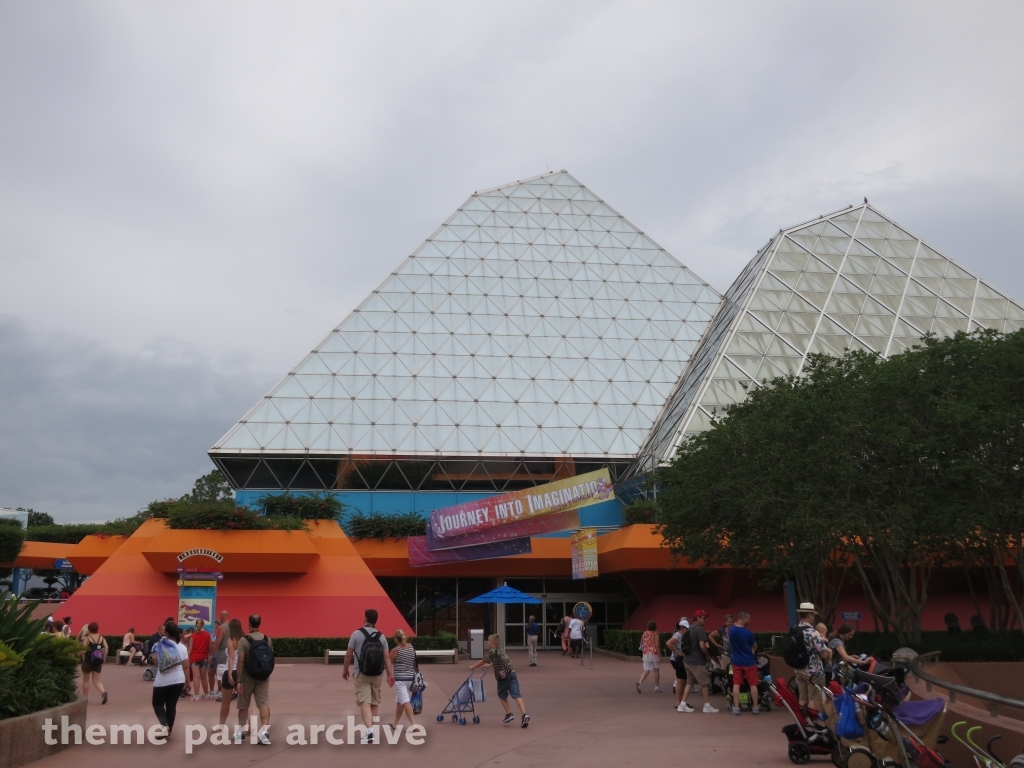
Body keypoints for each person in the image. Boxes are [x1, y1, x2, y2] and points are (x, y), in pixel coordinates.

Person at [343, 608, 395, 744]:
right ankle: (371, 730)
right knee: (374, 701)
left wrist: (345, 670)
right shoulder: (381, 636)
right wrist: (390, 675)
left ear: (365, 619)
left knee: (364, 702)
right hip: (378, 674)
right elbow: (387, 658)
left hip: (361, 673)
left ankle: (370, 730)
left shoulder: (356, 634)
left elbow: (349, 654)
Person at [469, 634, 529, 728]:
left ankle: (509, 714)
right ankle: (524, 714)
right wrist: (489, 665)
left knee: (502, 695)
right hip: (512, 673)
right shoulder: (501, 650)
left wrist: (473, 667)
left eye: (488, 641)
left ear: (491, 642)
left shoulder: (492, 651)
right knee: (517, 695)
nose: (488, 643)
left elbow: (483, 660)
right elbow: (501, 662)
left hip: (503, 676)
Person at [236, 614, 273, 745]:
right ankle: (264, 733)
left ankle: (240, 733)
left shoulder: (244, 640)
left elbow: (240, 661)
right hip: (263, 676)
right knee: (263, 703)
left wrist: (238, 680)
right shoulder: (267, 639)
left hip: (248, 677)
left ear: (249, 624)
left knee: (243, 705)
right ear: (259, 623)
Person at [151, 621, 189, 738]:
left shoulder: (160, 644)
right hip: (178, 679)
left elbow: (155, 660)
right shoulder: (182, 647)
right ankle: (168, 731)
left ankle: (165, 725)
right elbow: (186, 666)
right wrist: (188, 681)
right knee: (171, 705)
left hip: (162, 680)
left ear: (166, 633)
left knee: (157, 704)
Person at [678, 609, 718, 714]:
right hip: (696, 661)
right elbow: (702, 646)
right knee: (705, 683)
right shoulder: (699, 630)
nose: (706, 620)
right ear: (698, 618)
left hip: (687, 660)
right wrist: (708, 656)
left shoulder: (690, 628)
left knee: (690, 683)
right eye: (704, 618)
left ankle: (682, 704)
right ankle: (707, 705)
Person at [794, 603, 831, 711]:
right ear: (810, 615)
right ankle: (812, 722)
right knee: (813, 698)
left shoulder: (795, 629)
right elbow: (823, 654)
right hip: (813, 671)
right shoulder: (813, 632)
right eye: (813, 615)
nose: (813, 617)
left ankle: (803, 720)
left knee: (803, 697)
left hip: (799, 669)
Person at [728, 611, 759, 716]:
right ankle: (755, 707)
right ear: (743, 618)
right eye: (748, 619)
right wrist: (753, 649)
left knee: (736, 684)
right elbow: (754, 646)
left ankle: (736, 708)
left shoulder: (731, 631)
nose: (750, 621)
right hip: (749, 661)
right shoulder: (749, 633)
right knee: (753, 684)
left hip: (736, 661)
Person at [388, 629, 417, 729]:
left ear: (396, 639)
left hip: (400, 679)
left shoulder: (396, 649)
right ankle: (395, 722)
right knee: (400, 701)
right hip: (410, 678)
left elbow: (388, 662)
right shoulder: (411, 648)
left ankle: (413, 725)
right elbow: (413, 663)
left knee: (405, 701)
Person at [218, 618, 243, 727]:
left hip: (230, 670)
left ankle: (221, 725)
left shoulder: (230, 641)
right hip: (241, 672)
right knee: (244, 703)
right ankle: (247, 726)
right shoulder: (244, 640)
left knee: (225, 702)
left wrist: (229, 673)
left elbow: (231, 657)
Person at [79, 622, 108, 705]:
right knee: (96, 680)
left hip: (88, 661)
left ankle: (85, 698)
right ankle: (103, 692)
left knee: (85, 680)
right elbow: (106, 647)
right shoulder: (101, 638)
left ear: (89, 629)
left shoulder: (87, 638)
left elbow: (84, 650)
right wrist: (104, 657)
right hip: (98, 661)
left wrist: (81, 653)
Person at [667, 618, 689, 704]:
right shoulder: (678, 635)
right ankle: (678, 701)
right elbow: (668, 643)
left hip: (681, 659)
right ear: (682, 627)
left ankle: (682, 700)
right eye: (686, 628)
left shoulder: (683, 635)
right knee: (680, 681)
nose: (687, 630)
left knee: (684, 681)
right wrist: (677, 652)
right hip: (677, 660)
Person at [189, 619, 212, 700]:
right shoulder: (208, 635)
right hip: (204, 657)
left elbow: (190, 648)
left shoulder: (193, 636)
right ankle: (206, 694)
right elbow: (210, 647)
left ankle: (196, 695)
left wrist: (187, 657)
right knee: (204, 677)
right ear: (203, 625)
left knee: (196, 677)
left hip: (194, 657)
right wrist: (210, 656)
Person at [636, 620, 662, 693]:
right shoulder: (655, 634)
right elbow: (657, 645)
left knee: (646, 670)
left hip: (646, 653)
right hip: (654, 653)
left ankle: (640, 682)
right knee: (656, 669)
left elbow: (641, 642)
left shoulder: (645, 633)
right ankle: (656, 687)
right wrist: (659, 656)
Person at [210, 610, 229, 699]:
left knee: (220, 673)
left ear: (222, 616)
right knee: (229, 672)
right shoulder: (232, 626)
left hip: (222, 653)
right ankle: (230, 691)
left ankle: (221, 692)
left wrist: (211, 655)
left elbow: (218, 642)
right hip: (231, 652)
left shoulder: (221, 628)